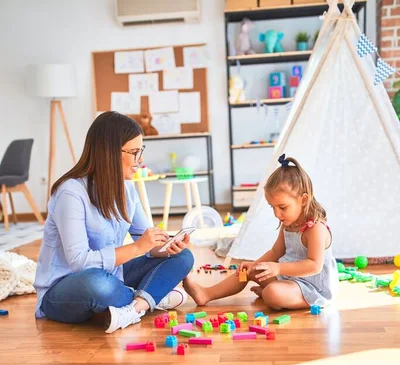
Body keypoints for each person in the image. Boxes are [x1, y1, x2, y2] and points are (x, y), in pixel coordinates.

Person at [34, 111, 194, 333]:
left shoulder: (127, 189)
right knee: (99, 284)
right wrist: (138, 247)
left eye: (141, 151)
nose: (141, 160)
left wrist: (164, 248)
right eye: (135, 152)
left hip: (114, 276)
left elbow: (146, 244)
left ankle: (135, 307)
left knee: (183, 257)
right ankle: (152, 296)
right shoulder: (71, 193)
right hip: (65, 290)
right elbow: (79, 262)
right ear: (110, 152)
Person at [184, 154, 338, 310]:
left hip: (312, 287)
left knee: (272, 293)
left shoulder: (315, 228)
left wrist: (277, 268)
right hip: (289, 279)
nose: (277, 214)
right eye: (273, 207)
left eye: (282, 207)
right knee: (248, 270)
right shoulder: (289, 223)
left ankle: (272, 294)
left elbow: (314, 266)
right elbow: (276, 251)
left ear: (303, 200)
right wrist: (255, 265)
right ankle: (207, 293)